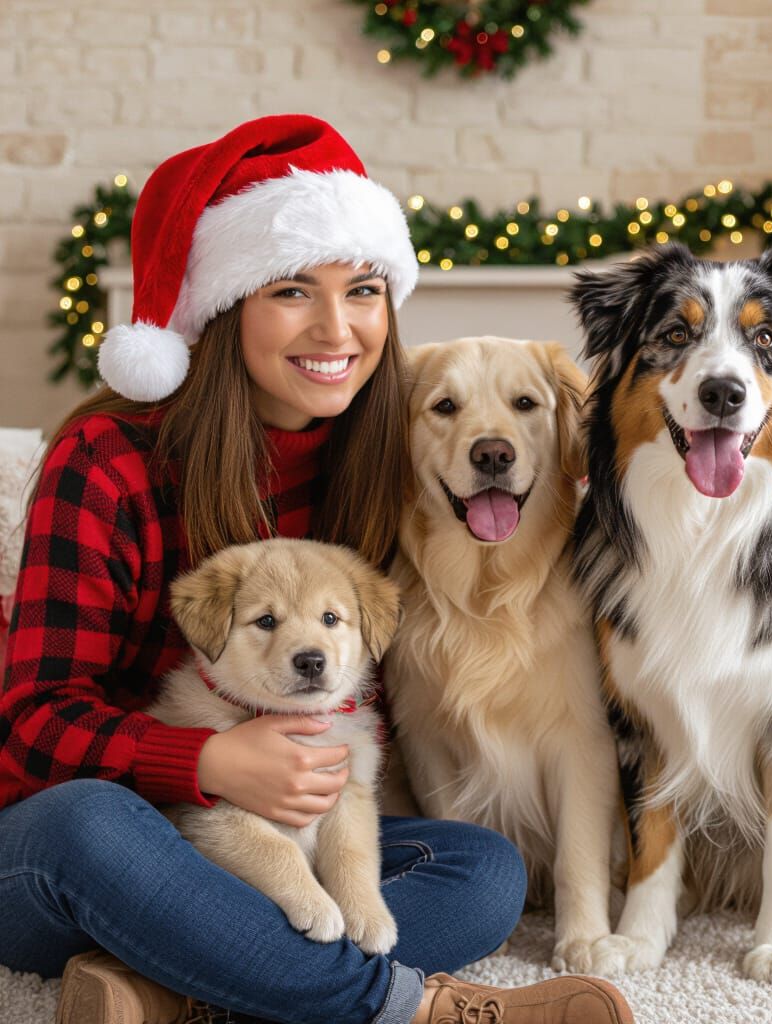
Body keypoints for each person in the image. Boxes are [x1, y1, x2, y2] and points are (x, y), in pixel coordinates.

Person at [0, 115, 636, 1024]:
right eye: (294, 290)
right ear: (225, 305)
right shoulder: (107, 460)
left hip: (279, 841)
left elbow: (602, 455)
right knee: (84, 823)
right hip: (82, 843)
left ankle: (168, 979)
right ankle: (412, 1008)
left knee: (478, 870)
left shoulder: (384, 450)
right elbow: (32, 727)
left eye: (365, 290)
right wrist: (209, 758)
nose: (338, 327)